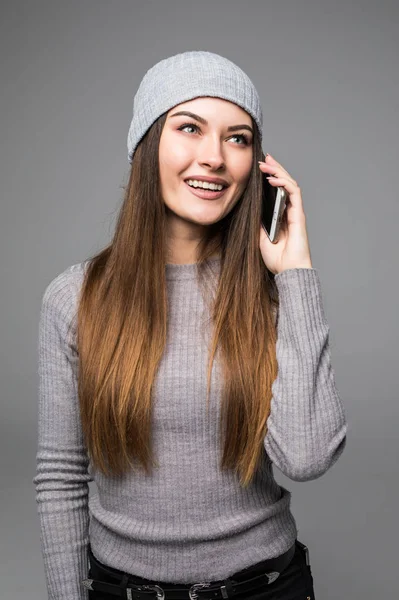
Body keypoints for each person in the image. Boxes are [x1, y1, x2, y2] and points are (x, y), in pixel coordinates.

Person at [33, 50, 347, 600]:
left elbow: (307, 456)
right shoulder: (75, 298)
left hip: (269, 589)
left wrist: (296, 273)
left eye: (238, 138)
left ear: (257, 162)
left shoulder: (273, 295)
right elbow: (60, 479)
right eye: (189, 128)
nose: (215, 157)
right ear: (147, 145)